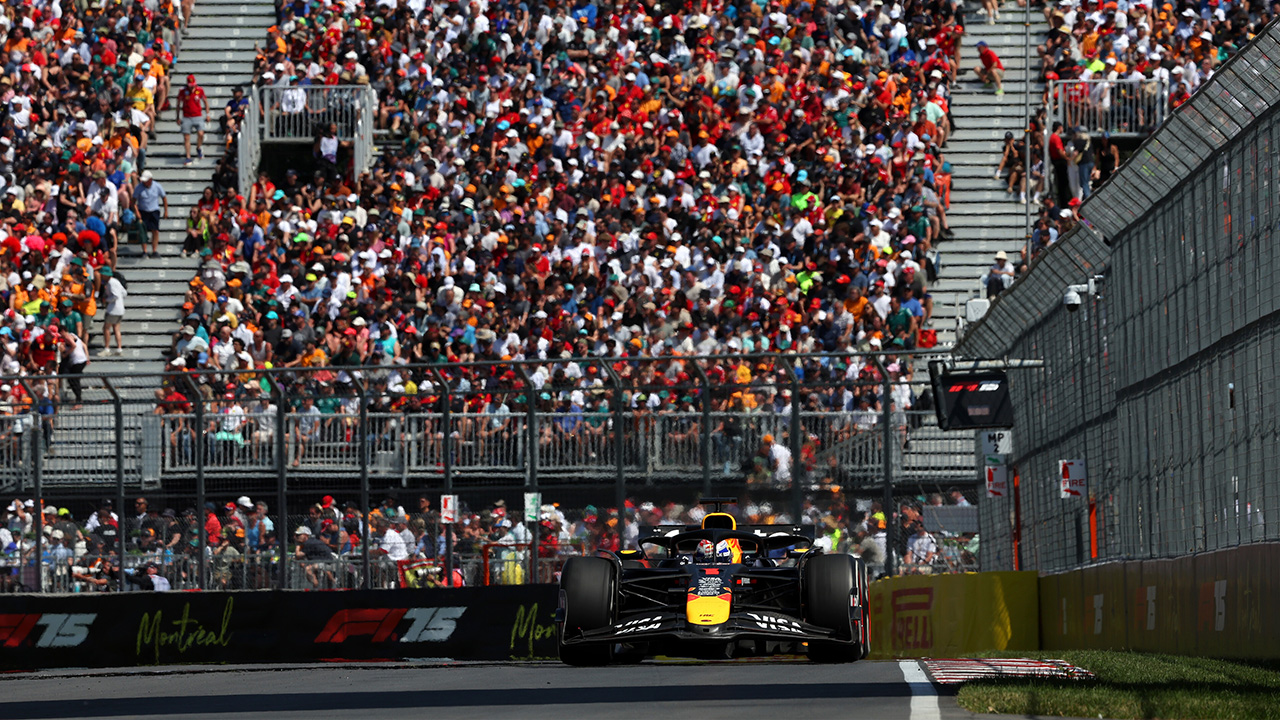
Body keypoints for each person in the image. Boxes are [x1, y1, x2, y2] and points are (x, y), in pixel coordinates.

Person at [133, 170, 169, 257]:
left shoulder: (157, 186)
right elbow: (133, 201)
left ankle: (154, 250)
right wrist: (137, 212)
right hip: (143, 211)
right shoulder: (138, 187)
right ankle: (144, 251)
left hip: (154, 210)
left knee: (155, 231)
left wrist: (166, 211)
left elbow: (164, 198)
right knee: (143, 231)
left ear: (150, 180)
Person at [176, 74, 210, 164]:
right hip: (187, 116)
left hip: (198, 115)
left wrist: (207, 114)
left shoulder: (200, 90)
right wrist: (178, 117)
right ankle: (188, 156)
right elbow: (178, 104)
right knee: (186, 137)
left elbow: (205, 102)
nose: (192, 87)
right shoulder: (182, 91)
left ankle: (198, 147)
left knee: (201, 133)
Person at [98, 267, 128, 356]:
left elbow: (115, 296)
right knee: (116, 328)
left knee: (106, 328)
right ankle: (119, 349)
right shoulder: (116, 281)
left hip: (113, 309)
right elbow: (124, 293)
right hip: (120, 309)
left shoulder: (111, 283)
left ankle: (107, 349)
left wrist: (106, 300)